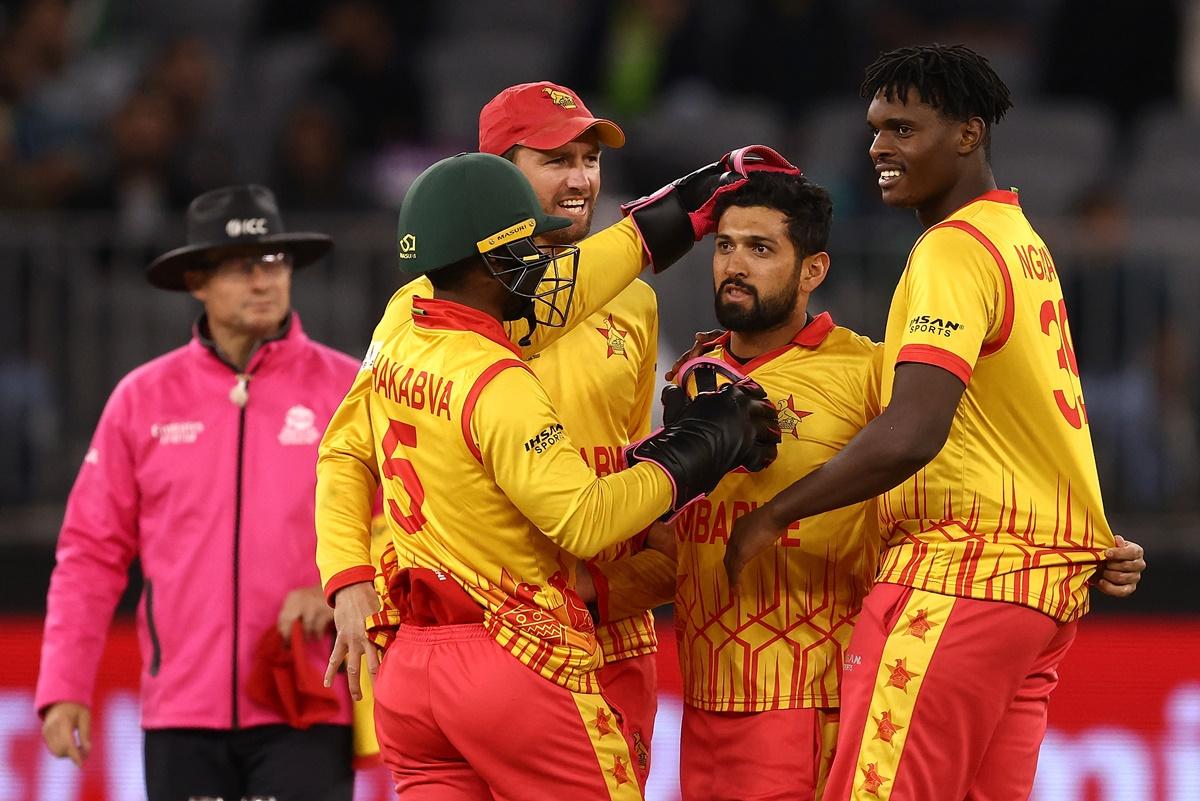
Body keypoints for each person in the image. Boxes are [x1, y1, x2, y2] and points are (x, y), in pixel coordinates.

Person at [721, 45, 1146, 800]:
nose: (880, 146)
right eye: (876, 128)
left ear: (967, 134)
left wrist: (772, 517)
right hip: (1039, 588)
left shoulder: (951, 248)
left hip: (962, 579)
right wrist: (1085, 528)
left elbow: (915, 431)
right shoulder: (1021, 243)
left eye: (904, 128)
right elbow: (1032, 417)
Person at [315, 151, 781, 799]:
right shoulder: (497, 378)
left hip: (414, 667)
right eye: (524, 244)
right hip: (512, 656)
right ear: (489, 258)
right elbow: (584, 520)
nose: (539, 257)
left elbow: (562, 290)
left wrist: (653, 227)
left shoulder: (401, 332)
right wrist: (703, 445)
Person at [36, 185, 361, 801]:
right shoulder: (141, 399)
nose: (263, 281)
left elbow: (405, 522)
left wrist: (341, 585)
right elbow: (90, 553)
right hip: (181, 711)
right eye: (242, 267)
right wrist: (63, 687)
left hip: (306, 699)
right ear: (197, 282)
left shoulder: (349, 390)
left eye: (274, 262)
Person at [673, 169, 884, 801]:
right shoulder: (692, 373)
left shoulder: (866, 372)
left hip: (804, 699)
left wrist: (1077, 542)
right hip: (701, 696)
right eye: (726, 245)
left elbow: (960, 479)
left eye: (761, 249)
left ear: (813, 270)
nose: (735, 265)